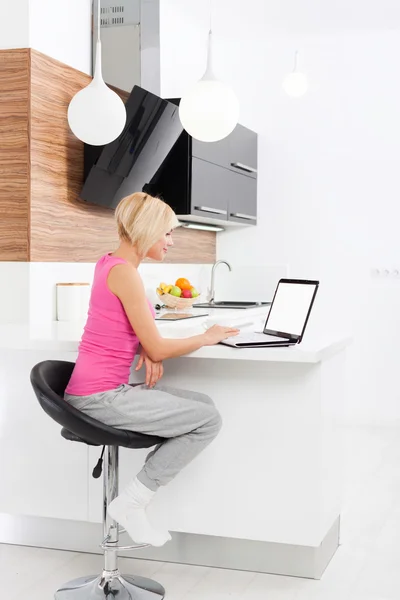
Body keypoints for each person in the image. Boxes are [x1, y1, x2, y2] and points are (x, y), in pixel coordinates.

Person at [64, 192, 239, 547]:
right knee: (208, 420)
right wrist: (206, 337)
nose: (171, 241)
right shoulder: (126, 275)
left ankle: (135, 499)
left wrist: (147, 346)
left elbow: (123, 324)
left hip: (96, 391)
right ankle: (132, 503)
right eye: (168, 233)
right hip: (100, 398)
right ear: (148, 230)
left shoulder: (108, 264)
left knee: (202, 404)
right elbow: (156, 342)